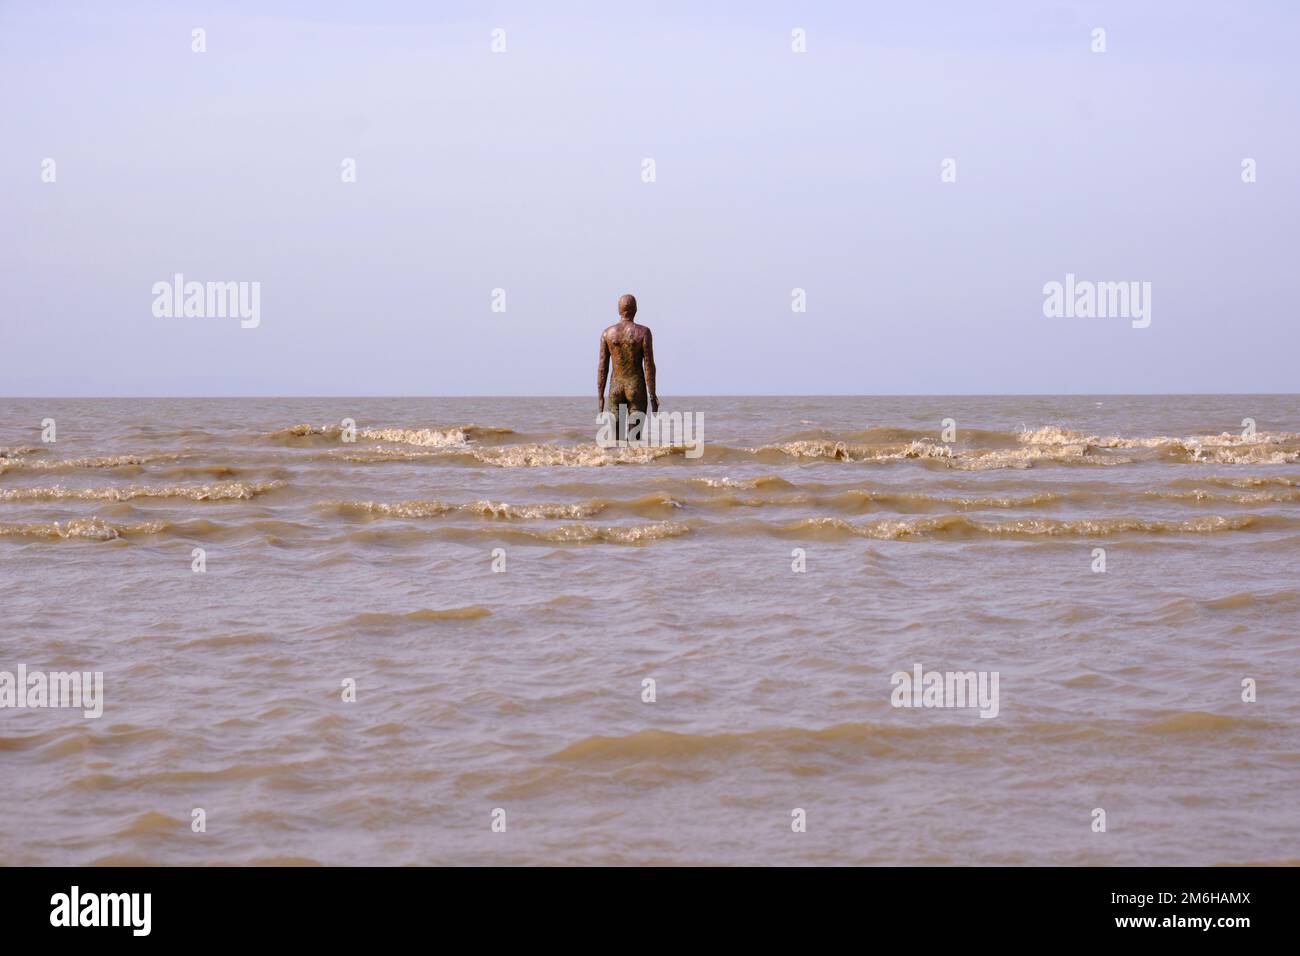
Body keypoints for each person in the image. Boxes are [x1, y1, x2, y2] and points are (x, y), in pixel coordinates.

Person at [597, 294, 658, 441]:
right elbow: (649, 365)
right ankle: (634, 463)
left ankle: (619, 462)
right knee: (634, 441)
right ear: (635, 310)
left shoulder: (607, 334)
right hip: (636, 387)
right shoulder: (643, 332)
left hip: (615, 389)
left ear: (619, 310)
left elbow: (602, 367)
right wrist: (652, 395)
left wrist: (600, 396)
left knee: (617, 441)